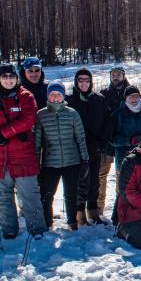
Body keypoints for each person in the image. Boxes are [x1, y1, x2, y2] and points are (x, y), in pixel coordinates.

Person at [0, 63, 46, 239]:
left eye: (11, 77)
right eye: (4, 77)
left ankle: (36, 229)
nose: (8, 80)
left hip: (23, 155)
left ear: (16, 78)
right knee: (4, 196)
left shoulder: (25, 97)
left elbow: (29, 119)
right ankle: (8, 230)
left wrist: (5, 132)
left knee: (29, 194)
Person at [35, 82, 89, 230]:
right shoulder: (41, 115)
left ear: (63, 96)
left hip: (72, 161)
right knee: (47, 194)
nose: (56, 97)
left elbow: (80, 137)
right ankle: (48, 221)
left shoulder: (72, 113)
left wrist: (85, 159)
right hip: (50, 162)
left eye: (59, 94)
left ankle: (72, 221)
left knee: (71, 194)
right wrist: (36, 162)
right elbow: (37, 141)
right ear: (48, 96)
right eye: (52, 94)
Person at [66, 67, 111, 226]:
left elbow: (108, 121)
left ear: (91, 82)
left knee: (94, 182)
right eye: (81, 80)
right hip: (76, 148)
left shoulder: (99, 99)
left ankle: (93, 212)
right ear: (76, 82)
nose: (84, 83)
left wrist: (102, 142)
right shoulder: (69, 100)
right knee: (80, 181)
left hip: (95, 146)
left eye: (87, 80)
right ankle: (79, 214)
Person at [109, 85, 141, 225]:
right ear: (125, 98)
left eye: (136, 96)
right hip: (123, 157)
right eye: (131, 96)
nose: (134, 99)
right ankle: (117, 218)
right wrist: (128, 141)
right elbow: (111, 138)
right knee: (122, 189)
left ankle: (136, 217)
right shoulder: (118, 113)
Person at [98, 66, 130, 219]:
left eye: (119, 74)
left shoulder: (130, 93)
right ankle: (98, 209)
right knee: (101, 176)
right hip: (107, 141)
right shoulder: (104, 94)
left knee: (122, 177)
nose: (116, 77)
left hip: (124, 142)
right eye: (113, 74)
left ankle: (120, 210)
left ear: (123, 76)